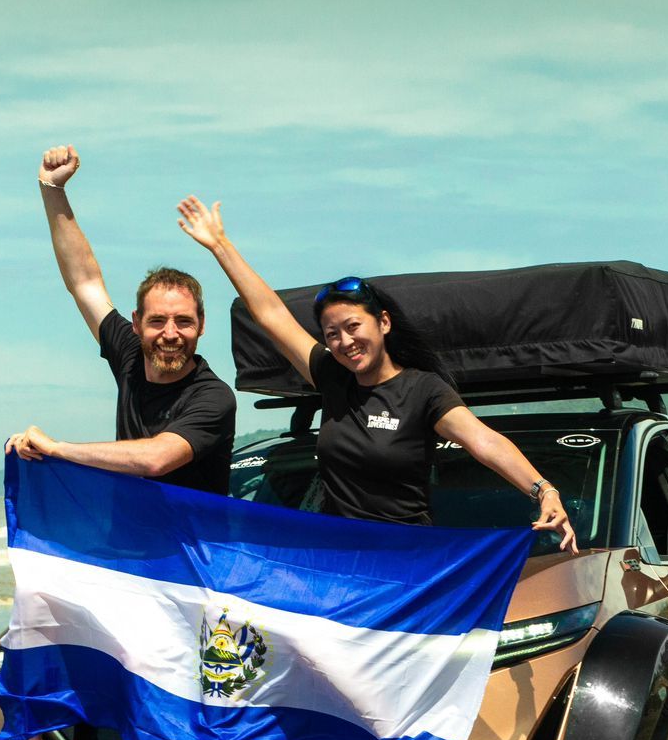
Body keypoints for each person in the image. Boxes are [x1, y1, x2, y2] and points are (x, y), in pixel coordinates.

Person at [0, 146, 241, 740]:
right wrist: (51, 193)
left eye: (183, 323)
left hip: (187, 571)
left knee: (138, 680)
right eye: (156, 320)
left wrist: (59, 448)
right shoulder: (128, 355)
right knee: (38, 603)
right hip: (127, 557)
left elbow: (157, 459)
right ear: (139, 323)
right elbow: (83, 277)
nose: (168, 334)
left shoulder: (211, 399)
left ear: (198, 329)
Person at [176, 195, 578, 548]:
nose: (344, 342)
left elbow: (483, 442)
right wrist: (220, 245)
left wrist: (543, 490)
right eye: (332, 334)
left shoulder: (423, 390)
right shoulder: (332, 377)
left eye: (353, 327)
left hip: (404, 563)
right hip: (339, 561)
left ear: (383, 323)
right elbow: (270, 314)